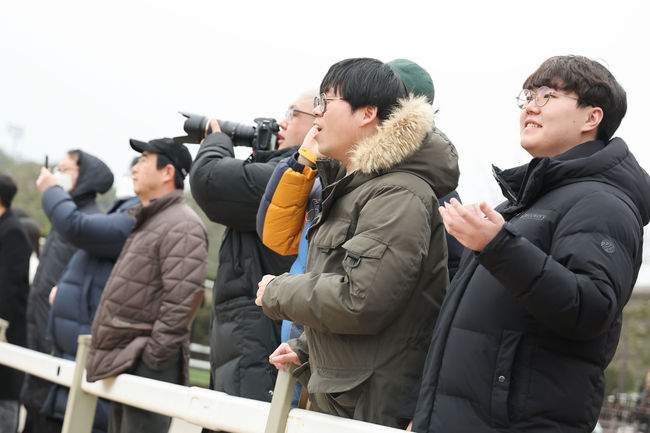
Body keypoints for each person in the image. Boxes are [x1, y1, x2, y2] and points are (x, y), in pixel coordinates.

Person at [412, 55, 650, 433]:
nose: (531, 107)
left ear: (592, 118)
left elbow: (591, 307)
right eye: (528, 96)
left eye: (548, 95)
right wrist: (426, 416)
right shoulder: (525, 202)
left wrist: (497, 246)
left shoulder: (603, 203)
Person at [255, 57, 459, 427]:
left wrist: (277, 291)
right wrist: (306, 350)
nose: (316, 114)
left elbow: (362, 300)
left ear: (367, 113)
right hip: (343, 393)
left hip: (369, 403)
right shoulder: (353, 186)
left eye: (326, 101)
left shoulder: (399, 193)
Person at [188, 90, 316, 409]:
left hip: (257, 337)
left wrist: (217, 141)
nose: (282, 122)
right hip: (248, 336)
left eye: (292, 113)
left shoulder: (291, 177)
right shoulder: (279, 170)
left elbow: (208, 180)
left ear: (319, 121)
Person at [85, 138, 208, 433]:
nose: (135, 167)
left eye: (143, 160)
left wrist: (153, 359)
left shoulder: (182, 224)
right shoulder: (153, 219)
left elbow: (183, 301)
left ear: (167, 173)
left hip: (147, 363)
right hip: (129, 359)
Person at [34, 160, 140, 433]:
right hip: (69, 365)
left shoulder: (132, 216)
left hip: (89, 373)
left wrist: (51, 191)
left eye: (140, 165)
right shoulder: (117, 213)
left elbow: (76, 226)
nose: (131, 175)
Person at [21, 150, 113, 433]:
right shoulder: (66, 217)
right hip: (39, 333)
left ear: (84, 176)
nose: (56, 174)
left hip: (60, 344)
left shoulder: (88, 222)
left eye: (65, 168)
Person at [0, 174, 31, 433]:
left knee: (5, 398)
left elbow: (9, 288)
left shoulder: (12, 232)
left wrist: (2, 328)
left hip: (6, 333)